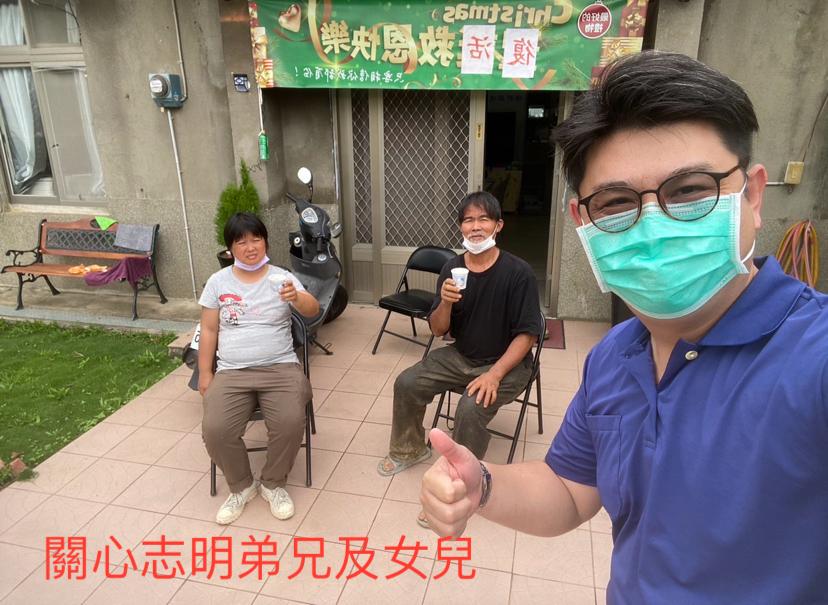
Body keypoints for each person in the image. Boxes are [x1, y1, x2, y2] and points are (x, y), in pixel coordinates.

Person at [420, 51, 828, 603]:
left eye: (689, 190)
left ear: (752, 195)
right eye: (616, 202)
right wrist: (484, 485)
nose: (654, 224)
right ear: (583, 221)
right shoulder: (615, 356)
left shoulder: (812, 358)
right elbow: (569, 491)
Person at [378, 191, 543, 527]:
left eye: (483, 219)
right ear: (460, 227)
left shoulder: (518, 272)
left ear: (498, 225)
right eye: (468, 220)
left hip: (507, 363)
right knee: (407, 382)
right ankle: (409, 449)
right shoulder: (452, 268)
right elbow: (439, 330)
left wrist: (494, 375)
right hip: (462, 354)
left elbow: (527, 336)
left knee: (469, 407)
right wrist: (445, 302)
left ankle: (463, 485)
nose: (475, 226)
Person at [198, 212, 319, 525]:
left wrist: (296, 297)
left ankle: (273, 484)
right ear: (230, 248)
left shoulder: (282, 278)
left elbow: (313, 310)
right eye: (241, 242)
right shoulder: (218, 282)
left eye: (256, 239)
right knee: (216, 429)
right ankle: (241, 486)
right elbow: (209, 330)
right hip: (232, 371)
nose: (250, 247)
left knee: (290, 422)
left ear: (266, 242)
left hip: (280, 367)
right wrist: (206, 374)